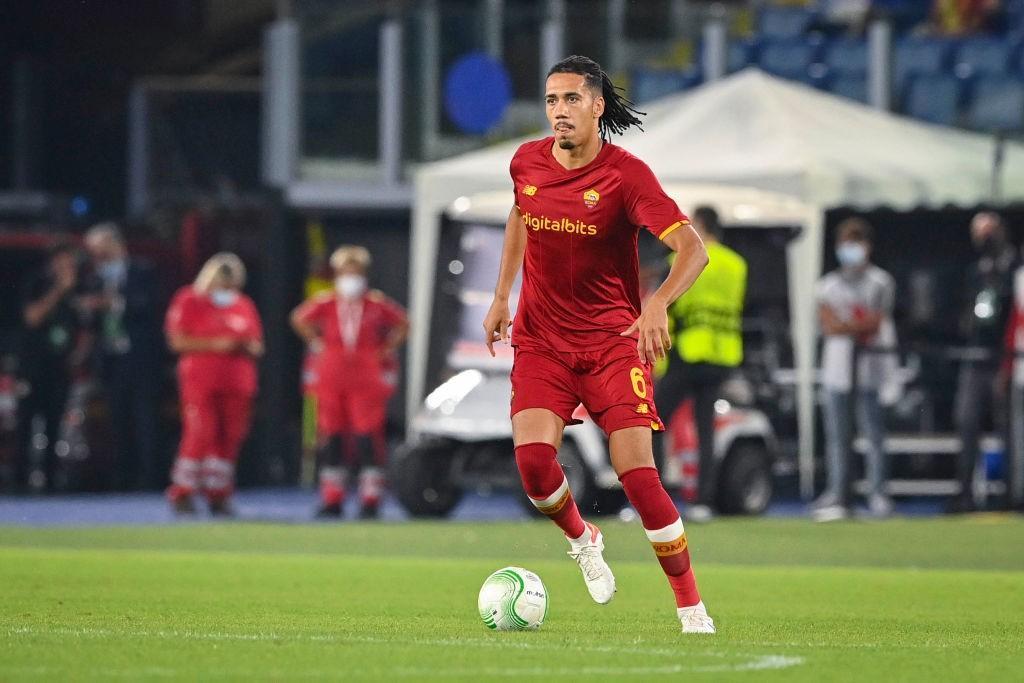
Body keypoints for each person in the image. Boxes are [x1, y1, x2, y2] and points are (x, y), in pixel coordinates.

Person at [481, 55, 714, 634]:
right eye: (551, 100)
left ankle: (691, 608)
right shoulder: (525, 161)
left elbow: (694, 250)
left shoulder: (626, 176)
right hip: (542, 342)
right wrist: (501, 295)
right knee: (535, 465)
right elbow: (519, 217)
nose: (559, 111)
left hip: (613, 342)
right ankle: (584, 539)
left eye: (570, 100)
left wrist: (656, 301)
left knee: (637, 474)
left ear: (596, 105)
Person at [291, 246, 409, 519]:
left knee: (367, 437)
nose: (350, 277)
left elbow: (403, 323)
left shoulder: (375, 304)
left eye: (355, 271)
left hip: (366, 374)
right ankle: (333, 498)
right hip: (332, 374)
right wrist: (316, 341)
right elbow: (299, 318)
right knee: (331, 437)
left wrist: (385, 348)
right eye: (346, 271)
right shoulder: (327, 302)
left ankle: (370, 498)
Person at [654, 206, 747, 522]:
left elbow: (669, 310)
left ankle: (655, 500)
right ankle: (703, 502)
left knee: (652, 421)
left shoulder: (683, 259)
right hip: (722, 355)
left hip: (688, 353)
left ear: (701, 226)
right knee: (705, 429)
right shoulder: (736, 264)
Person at [164, 253, 263, 516]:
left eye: (231, 285)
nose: (226, 291)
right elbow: (177, 341)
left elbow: (257, 343)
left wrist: (245, 347)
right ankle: (182, 491)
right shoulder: (189, 300)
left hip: (237, 381)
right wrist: (216, 344)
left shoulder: (243, 304)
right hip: (201, 379)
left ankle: (218, 494)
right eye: (221, 283)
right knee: (201, 432)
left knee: (229, 437)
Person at [812, 218, 897, 522]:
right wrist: (851, 326)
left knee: (874, 434)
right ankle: (838, 492)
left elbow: (876, 322)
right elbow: (829, 325)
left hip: (870, 367)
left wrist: (846, 325)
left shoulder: (880, 282)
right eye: (846, 243)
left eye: (856, 242)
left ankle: (877, 492)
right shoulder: (827, 286)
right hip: (836, 369)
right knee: (837, 436)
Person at [81, 222, 163, 490]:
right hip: (111, 360)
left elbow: (150, 305)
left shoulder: (143, 271)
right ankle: (123, 480)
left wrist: (115, 303)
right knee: (117, 420)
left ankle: (150, 479)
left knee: (145, 420)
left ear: (116, 244)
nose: (98, 258)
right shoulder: (95, 278)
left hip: (140, 359)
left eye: (102, 251)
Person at [951, 211, 1017, 513]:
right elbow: (968, 311)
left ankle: (1011, 494)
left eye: (988, 232)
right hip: (975, 356)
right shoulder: (975, 270)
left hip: (1005, 357)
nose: (984, 239)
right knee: (966, 422)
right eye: (979, 233)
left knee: (1009, 428)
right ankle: (964, 493)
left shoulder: (1014, 268)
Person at [15, 240, 86, 492]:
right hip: (33, 367)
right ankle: (19, 481)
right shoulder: (37, 283)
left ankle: (50, 482)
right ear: (53, 261)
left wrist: (79, 353)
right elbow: (32, 318)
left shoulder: (77, 290)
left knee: (55, 425)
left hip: (60, 369)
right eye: (63, 260)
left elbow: (83, 327)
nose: (68, 266)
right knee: (25, 424)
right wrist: (58, 290)